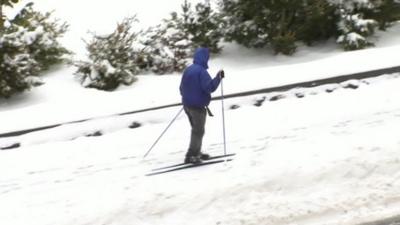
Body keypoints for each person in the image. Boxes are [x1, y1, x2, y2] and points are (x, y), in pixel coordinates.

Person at [179, 47, 225, 164]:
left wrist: (188, 97)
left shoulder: (188, 70)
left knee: (196, 130)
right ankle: (191, 155)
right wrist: (218, 78)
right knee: (198, 131)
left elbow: (181, 88)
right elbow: (210, 87)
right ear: (205, 58)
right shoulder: (201, 72)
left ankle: (197, 151)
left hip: (187, 106)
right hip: (197, 108)